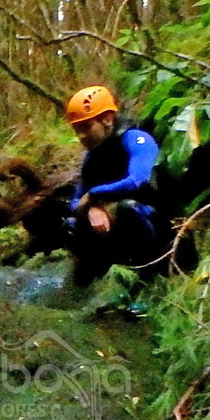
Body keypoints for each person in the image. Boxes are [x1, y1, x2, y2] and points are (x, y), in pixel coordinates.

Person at [64, 85, 167, 284]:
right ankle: (91, 286)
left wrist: (94, 195)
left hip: (157, 223)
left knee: (127, 210)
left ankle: (148, 283)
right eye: (77, 130)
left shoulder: (137, 140)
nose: (81, 136)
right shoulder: (91, 158)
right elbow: (76, 201)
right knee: (72, 226)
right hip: (118, 231)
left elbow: (137, 181)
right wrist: (91, 208)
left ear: (108, 119)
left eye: (86, 127)